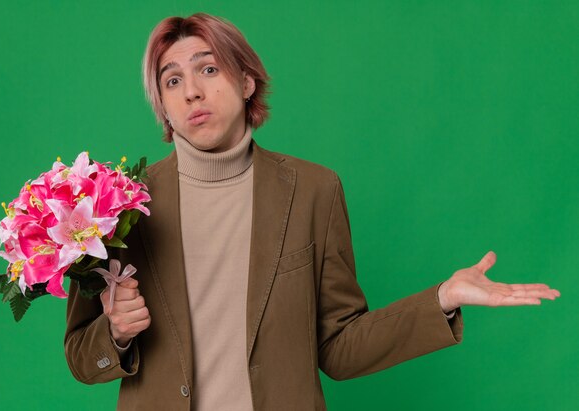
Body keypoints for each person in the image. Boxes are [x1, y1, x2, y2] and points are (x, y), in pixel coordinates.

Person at [63, 13, 560, 411]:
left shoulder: (314, 190)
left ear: (247, 82)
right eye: (172, 80)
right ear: (164, 108)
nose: (191, 90)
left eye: (208, 68)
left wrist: (442, 299)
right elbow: (82, 359)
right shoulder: (118, 205)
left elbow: (339, 346)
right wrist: (117, 333)